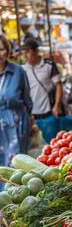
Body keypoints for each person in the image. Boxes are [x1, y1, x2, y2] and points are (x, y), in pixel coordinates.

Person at [0, 35, 32, 167]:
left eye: (1, 49)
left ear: (7, 51)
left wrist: (26, 122)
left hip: (16, 124)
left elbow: (27, 100)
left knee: (15, 165)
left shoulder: (18, 71)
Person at [23, 38, 63, 143]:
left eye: (28, 52)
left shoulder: (49, 65)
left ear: (36, 51)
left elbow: (58, 85)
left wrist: (57, 105)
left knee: (53, 144)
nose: (25, 55)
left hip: (49, 114)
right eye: (24, 52)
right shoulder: (22, 68)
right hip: (32, 117)